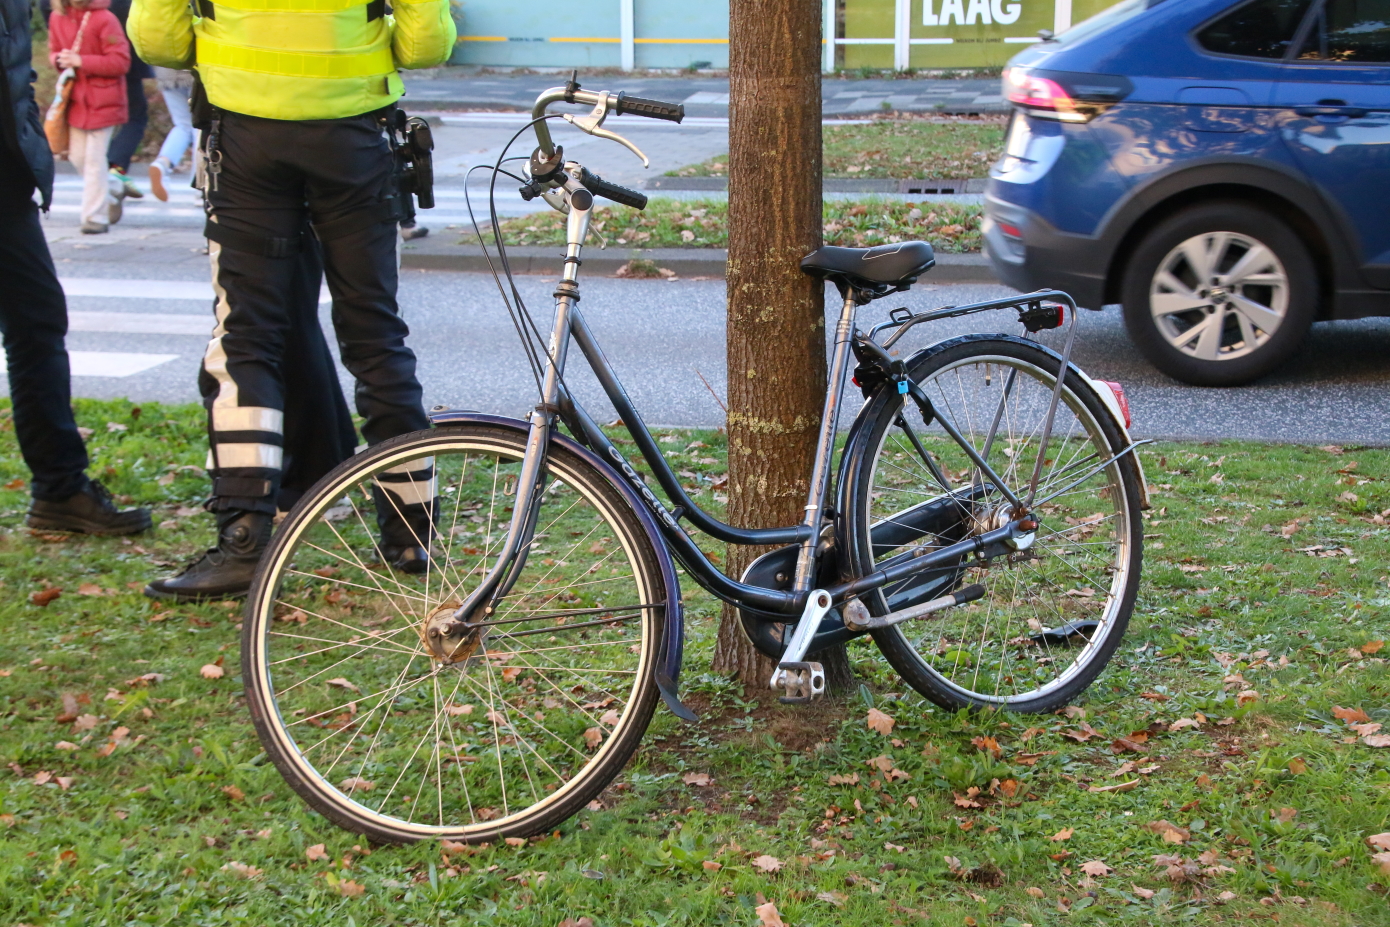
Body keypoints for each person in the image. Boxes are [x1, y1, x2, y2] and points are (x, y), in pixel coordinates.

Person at [131, 0, 456, 600]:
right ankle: (412, 535)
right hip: (354, 139)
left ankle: (245, 540)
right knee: (376, 333)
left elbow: (158, 39)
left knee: (245, 338)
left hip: (246, 141)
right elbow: (426, 44)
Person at [0, 0, 150, 533]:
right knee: (36, 323)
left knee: (37, 322)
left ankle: (60, 490)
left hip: (9, 170)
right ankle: (59, 488)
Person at [48, 0, 130, 234]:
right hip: (74, 99)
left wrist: (82, 61)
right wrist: (58, 60)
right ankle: (114, 186)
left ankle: (95, 217)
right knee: (77, 157)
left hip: (104, 100)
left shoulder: (104, 18)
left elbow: (121, 61)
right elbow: (53, 49)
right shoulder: (57, 17)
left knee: (94, 160)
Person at [104, 0, 150, 206]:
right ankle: (114, 167)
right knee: (135, 115)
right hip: (123, 57)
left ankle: (108, 170)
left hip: (79, 57)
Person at [145, 66, 192, 201]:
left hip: (166, 72)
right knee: (201, 127)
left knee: (183, 125)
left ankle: (163, 163)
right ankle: (202, 186)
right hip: (197, 73)